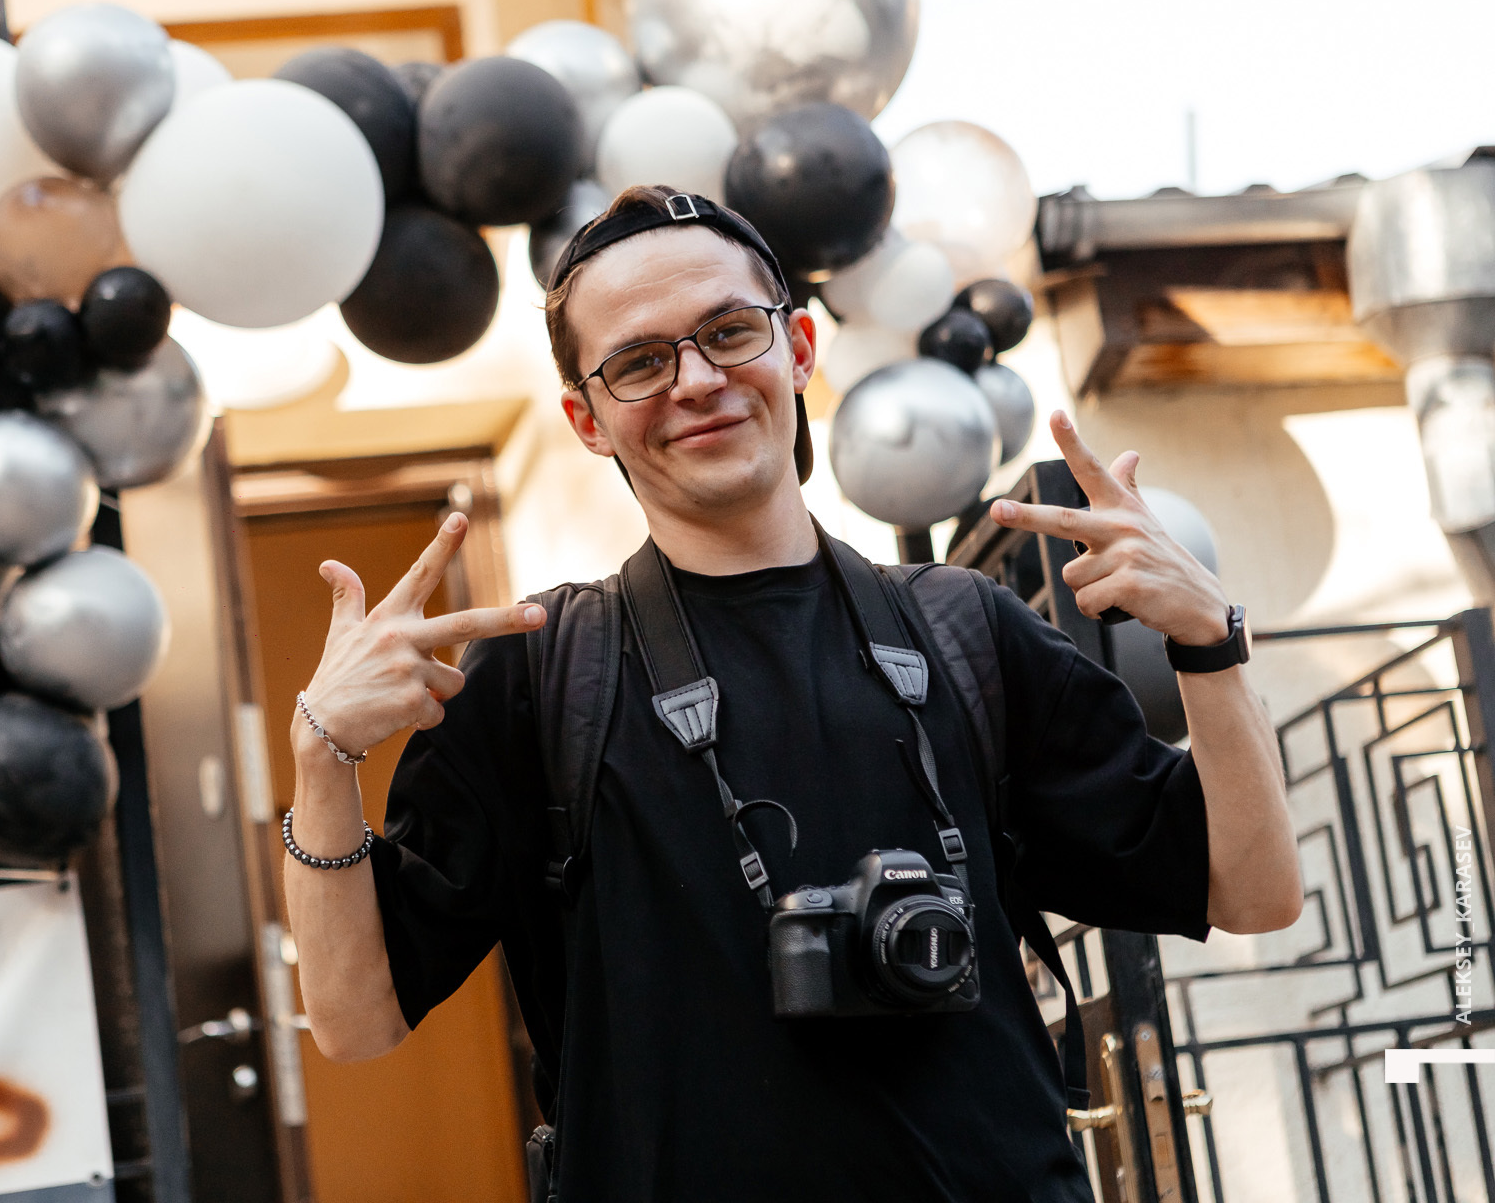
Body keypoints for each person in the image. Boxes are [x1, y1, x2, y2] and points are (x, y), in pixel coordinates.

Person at [280, 184, 1302, 1200]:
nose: (697, 380)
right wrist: (321, 753)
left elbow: (1253, 891)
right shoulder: (542, 673)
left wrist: (1210, 644)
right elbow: (356, 1020)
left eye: (730, 332)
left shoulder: (967, 632)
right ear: (587, 418)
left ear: (799, 347)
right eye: (640, 361)